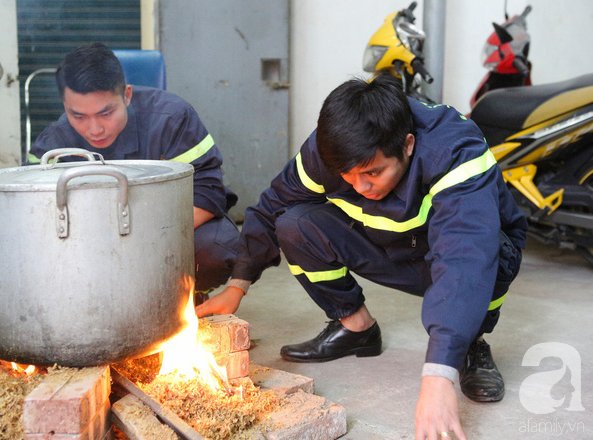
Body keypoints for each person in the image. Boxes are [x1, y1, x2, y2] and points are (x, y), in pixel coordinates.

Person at [196, 73, 527, 439]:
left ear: (409, 144)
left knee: (489, 251)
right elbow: (272, 205)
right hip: (389, 245)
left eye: (373, 172)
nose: (361, 186)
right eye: (348, 176)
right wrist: (237, 286)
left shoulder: (454, 150)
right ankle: (355, 328)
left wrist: (438, 373)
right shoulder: (329, 150)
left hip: (456, 256)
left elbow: (465, 259)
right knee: (294, 223)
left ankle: (470, 344)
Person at [29, 43, 239, 296]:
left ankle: (181, 296)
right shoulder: (53, 145)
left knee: (214, 248)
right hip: (90, 241)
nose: (94, 129)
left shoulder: (172, 119)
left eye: (106, 113)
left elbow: (208, 192)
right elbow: (33, 215)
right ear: (65, 106)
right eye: (79, 116)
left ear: (127, 95)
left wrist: (137, 238)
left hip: (164, 228)